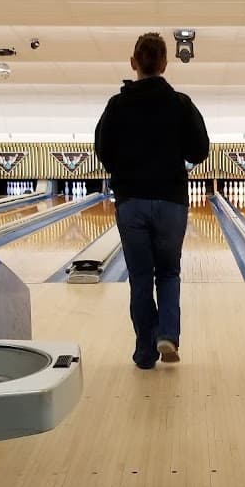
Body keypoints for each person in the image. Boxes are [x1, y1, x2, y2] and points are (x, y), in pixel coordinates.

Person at [94, 33, 209, 370]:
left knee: (141, 278)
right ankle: (167, 336)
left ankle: (145, 352)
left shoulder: (117, 105)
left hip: (131, 203)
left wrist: (126, 170)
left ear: (134, 62)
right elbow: (198, 151)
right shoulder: (181, 103)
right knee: (169, 273)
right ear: (164, 64)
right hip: (171, 201)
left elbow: (103, 151)